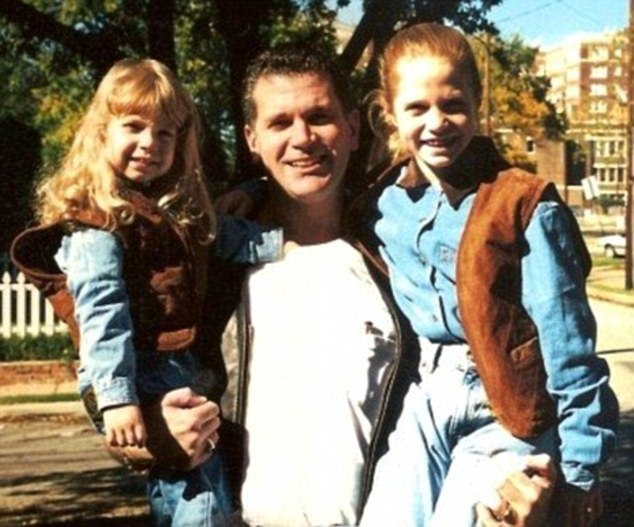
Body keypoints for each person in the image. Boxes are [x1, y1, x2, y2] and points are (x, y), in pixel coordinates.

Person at [212, 44, 559, 527]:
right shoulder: (219, 266)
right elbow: (144, 360)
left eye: (319, 117)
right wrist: (152, 435)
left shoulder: (400, 259)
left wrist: (537, 487)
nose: (303, 138)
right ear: (252, 138)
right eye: (279, 123)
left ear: (354, 128)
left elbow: (519, 366)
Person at [343, 22, 619, 527]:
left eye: (453, 104)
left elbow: (569, 345)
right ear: (389, 113)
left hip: (505, 412)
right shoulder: (380, 205)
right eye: (417, 108)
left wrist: (582, 470)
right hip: (424, 402)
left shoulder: (524, 204)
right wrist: (249, 195)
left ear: (476, 102)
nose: (437, 122)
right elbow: (308, 202)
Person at [10, 58, 281, 526]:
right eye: (133, 126)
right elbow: (102, 315)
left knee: (194, 485)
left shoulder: (170, 212)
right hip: (137, 369)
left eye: (164, 133)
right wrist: (117, 397)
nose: (149, 143)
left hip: (173, 366)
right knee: (199, 489)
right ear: (101, 133)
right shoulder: (98, 225)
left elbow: (229, 238)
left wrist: (283, 227)